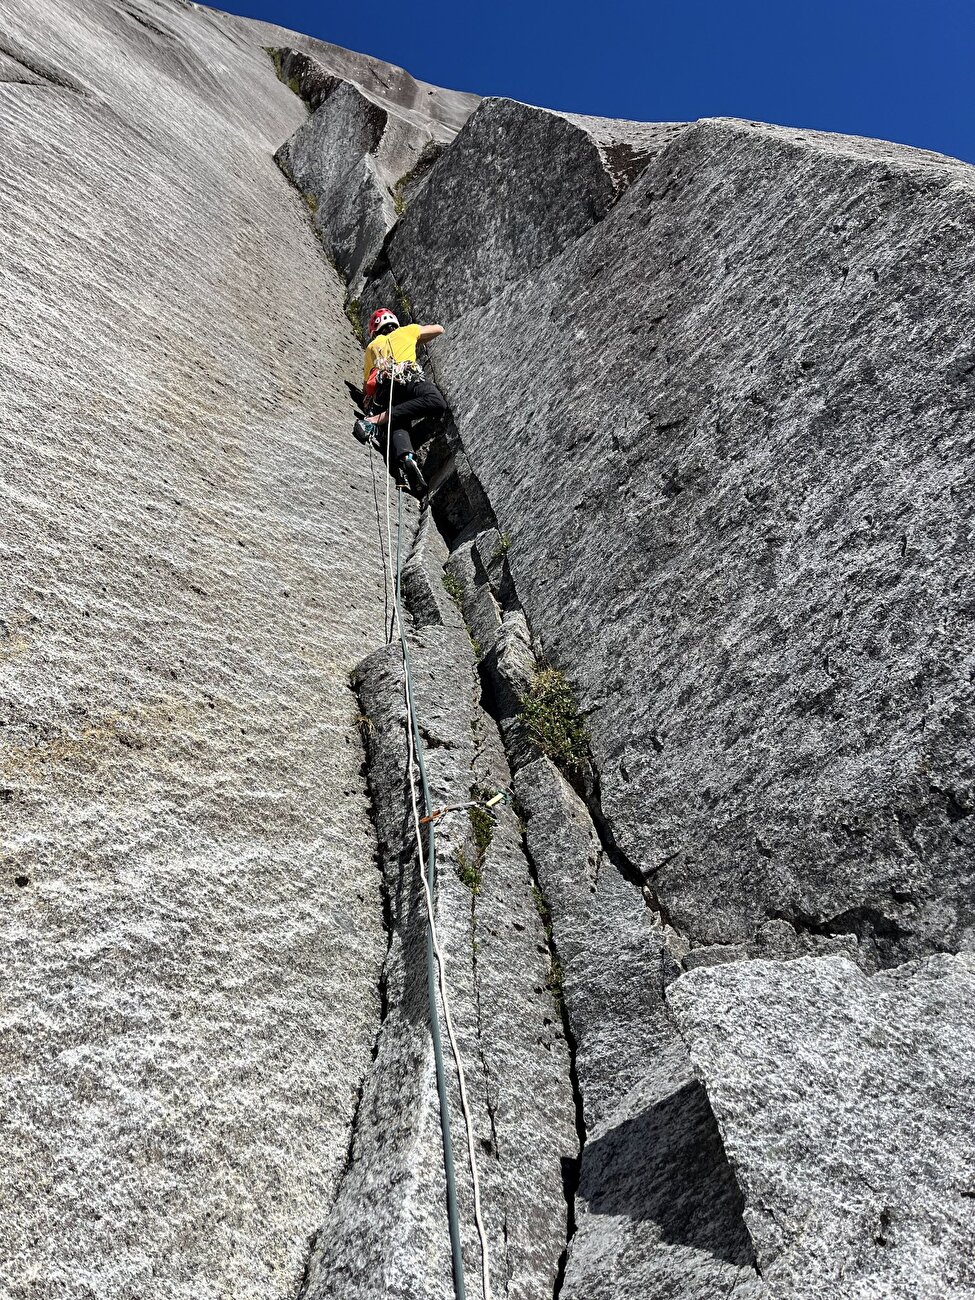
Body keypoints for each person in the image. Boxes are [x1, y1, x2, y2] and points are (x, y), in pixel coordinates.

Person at [353, 308, 447, 497]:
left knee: (398, 418)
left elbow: (365, 387)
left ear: (374, 329)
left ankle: (406, 457)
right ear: (394, 322)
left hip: (385, 389)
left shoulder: (372, 346)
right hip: (409, 378)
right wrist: (416, 338)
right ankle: (377, 421)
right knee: (436, 401)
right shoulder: (408, 331)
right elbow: (439, 329)